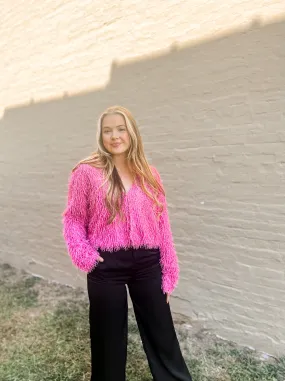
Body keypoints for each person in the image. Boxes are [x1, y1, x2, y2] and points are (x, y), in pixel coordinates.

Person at [62, 106, 192, 381]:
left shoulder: (149, 174)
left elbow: (162, 224)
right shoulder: (86, 172)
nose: (114, 136)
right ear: (101, 135)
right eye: (107, 130)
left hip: (147, 262)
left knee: (162, 331)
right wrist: (84, 254)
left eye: (121, 129)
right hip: (105, 263)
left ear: (131, 132)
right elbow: (73, 219)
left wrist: (169, 271)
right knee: (107, 336)